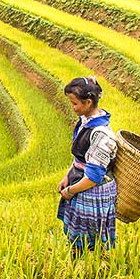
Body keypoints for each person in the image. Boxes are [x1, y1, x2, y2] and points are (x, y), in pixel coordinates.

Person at [57, 76, 118, 252]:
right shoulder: (86, 121)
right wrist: (67, 176)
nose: (72, 107)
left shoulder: (101, 135)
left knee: (92, 242)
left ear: (88, 102)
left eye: (74, 103)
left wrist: (69, 191)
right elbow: (81, 157)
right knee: (78, 240)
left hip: (92, 191)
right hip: (79, 183)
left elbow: (93, 177)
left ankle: (93, 270)